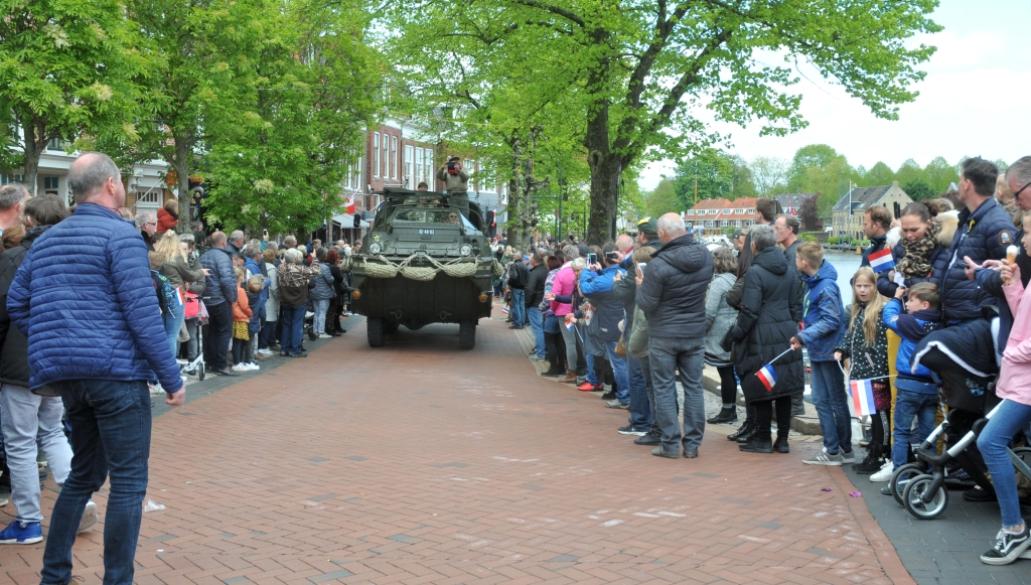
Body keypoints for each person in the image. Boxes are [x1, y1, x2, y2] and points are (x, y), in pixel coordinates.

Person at [6, 152, 185, 584]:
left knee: (83, 475)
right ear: (110, 185)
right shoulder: (120, 236)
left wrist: (60, 341)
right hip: (117, 376)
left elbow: (17, 301)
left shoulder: (47, 239)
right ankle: (117, 579)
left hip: (70, 379)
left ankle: (54, 574)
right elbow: (142, 314)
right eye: (121, 182)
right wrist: (171, 377)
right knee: (128, 482)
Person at [0, 193, 100, 545]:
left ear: (28, 220)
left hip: (20, 361)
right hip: (62, 360)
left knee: (21, 443)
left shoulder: (13, 259)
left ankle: (28, 520)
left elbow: (4, 311)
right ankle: (81, 499)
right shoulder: (78, 258)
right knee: (53, 432)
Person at [636, 213, 714, 458]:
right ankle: (692, 445)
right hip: (694, 331)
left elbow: (647, 304)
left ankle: (670, 444)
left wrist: (640, 285)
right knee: (694, 387)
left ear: (661, 234)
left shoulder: (658, 264)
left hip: (664, 333)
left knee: (664, 387)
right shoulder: (705, 257)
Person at [975, 230, 1031, 565]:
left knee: (990, 442)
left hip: (1025, 380)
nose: (1024, 240)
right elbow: (1024, 318)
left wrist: (1013, 353)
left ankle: (1014, 529)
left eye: (1030, 231)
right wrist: (1014, 284)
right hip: (1020, 379)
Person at [723, 225, 804, 454]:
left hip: (760, 335)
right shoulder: (789, 270)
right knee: (784, 387)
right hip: (787, 332)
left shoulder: (755, 273)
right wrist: (792, 326)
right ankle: (784, 440)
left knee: (760, 384)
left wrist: (735, 335)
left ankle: (762, 438)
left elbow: (750, 311)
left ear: (754, 245)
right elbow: (797, 306)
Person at [875, 282, 942, 484]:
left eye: (912, 300)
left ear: (924, 305)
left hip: (908, 385)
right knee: (927, 433)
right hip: (930, 387)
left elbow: (887, 317)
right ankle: (929, 474)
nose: (908, 303)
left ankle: (900, 475)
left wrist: (895, 298)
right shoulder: (939, 325)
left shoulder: (908, 323)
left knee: (902, 432)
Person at [791, 242, 850, 465]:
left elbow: (832, 319)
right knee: (829, 400)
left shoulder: (825, 287)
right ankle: (841, 447)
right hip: (819, 349)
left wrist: (804, 336)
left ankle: (834, 449)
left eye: (797, 259)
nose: (795, 262)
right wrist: (802, 334)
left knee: (827, 401)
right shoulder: (814, 284)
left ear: (804, 262)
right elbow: (814, 316)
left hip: (827, 351)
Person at [725, 198, 779, 443]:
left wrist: (737, 330)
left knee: (751, 378)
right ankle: (757, 426)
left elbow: (739, 294)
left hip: (753, 328)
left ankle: (757, 427)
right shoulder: (781, 263)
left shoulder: (753, 266)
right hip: (769, 327)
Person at [939, 157, 1016, 323]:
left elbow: (1009, 278)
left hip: (975, 320)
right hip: (958, 316)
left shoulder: (997, 224)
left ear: (967, 184)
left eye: (960, 180)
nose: (958, 185)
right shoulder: (969, 218)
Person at [834, 267, 891, 475]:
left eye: (867, 286)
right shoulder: (858, 309)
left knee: (881, 417)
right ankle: (874, 452)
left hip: (876, 375)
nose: (863, 290)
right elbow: (851, 335)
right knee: (870, 414)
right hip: (861, 373)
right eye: (859, 286)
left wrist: (880, 375)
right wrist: (842, 349)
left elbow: (883, 347)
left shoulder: (880, 311)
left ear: (875, 287)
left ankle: (883, 453)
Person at [580, 245, 630, 409]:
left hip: (611, 325)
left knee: (618, 364)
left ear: (605, 259)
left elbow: (586, 289)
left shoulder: (605, 279)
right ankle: (628, 395)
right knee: (627, 362)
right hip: (627, 322)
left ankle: (624, 397)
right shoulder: (626, 273)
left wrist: (587, 271)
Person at [152, 231, 207, 358]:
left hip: (159, 295)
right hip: (175, 295)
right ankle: (170, 368)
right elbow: (190, 275)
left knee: (163, 333)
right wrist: (201, 272)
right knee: (172, 334)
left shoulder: (155, 257)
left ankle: (161, 367)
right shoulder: (177, 258)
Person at [774, 214, 806, 416]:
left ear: (790, 230)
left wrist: (797, 316)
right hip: (792, 312)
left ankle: (795, 402)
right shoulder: (788, 252)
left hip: (795, 314)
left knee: (793, 355)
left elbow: (795, 288)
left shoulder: (795, 254)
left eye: (778, 228)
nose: (775, 231)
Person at [704, 247, 740, 425]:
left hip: (719, 335)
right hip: (732, 331)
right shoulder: (735, 280)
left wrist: (700, 331)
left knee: (725, 372)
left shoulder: (718, 283)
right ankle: (730, 408)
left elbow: (709, 312)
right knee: (729, 372)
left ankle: (728, 410)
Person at [200, 231, 238, 376]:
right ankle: (221, 364)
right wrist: (232, 298)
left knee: (210, 332)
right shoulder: (223, 257)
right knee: (224, 331)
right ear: (223, 242)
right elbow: (227, 280)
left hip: (206, 299)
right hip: (220, 299)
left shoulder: (203, 256)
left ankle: (210, 362)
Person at [277, 248, 320, 357]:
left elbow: (284, 263)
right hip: (299, 300)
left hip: (285, 300)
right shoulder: (300, 269)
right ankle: (295, 349)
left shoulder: (281, 268)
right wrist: (314, 258)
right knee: (297, 325)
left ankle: (284, 349)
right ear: (296, 258)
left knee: (286, 324)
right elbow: (316, 270)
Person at [547, 245, 581, 383]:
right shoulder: (582, 270)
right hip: (580, 310)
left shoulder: (561, 273)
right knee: (579, 341)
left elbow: (554, 295)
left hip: (564, 311)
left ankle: (572, 370)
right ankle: (581, 369)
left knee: (570, 342)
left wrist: (554, 309)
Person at [230, 267, 256, 372]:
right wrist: (250, 313)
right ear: (240, 277)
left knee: (236, 341)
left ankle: (237, 362)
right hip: (241, 318)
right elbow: (245, 306)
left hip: (234, 317)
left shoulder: (231, 289)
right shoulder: (240, 291)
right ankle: (238, 362)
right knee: (240, 342)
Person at [309, 247, 336, 339]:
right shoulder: (324, 267)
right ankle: (321, 331)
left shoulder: (312, 266)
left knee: (316, 312)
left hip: (314, 292)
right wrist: (333, 278)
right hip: (324, 293)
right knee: (322, 312)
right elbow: (330, 280)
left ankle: (315, 330)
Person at [507, 253, 529, 329]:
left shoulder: (514, 265)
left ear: (516, 257)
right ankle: (522, 322)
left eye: (514, 256)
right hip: (523, 288)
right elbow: (528, 277)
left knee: (516, 305)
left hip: (516, 287)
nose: (513, 257)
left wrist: (509, 284)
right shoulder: (525, 266)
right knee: (521, 305)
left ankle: (518, 323)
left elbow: (513, 277)